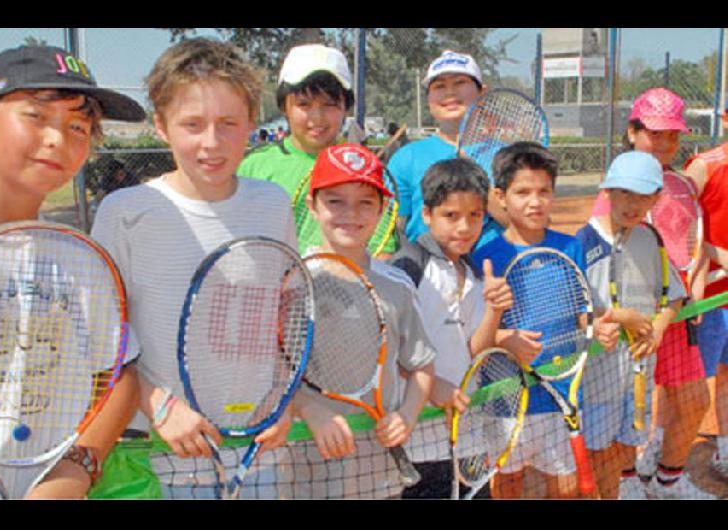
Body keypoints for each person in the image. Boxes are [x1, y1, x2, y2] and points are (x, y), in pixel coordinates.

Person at [0, 44, 145, 499]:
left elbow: (120, 376)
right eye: (36, 116)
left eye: (78, 126)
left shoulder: (83, 258)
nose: (58, 139)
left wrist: (78, 467)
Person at [89, 37, 297, 499]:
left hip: (257, 451)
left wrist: (285, 401)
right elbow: (104, 340)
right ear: (161, 126)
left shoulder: (272, 204)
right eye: (192, 124)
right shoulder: (125, 211)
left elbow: (284, 316)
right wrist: (159, 406)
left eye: (228, 123)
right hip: (157, 457)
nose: (211, 142)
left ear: (251, 124)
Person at [471, 141, 618, 499]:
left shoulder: (570, 247)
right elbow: (477, 328)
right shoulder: (484, 256)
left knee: (566, 489)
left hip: (561, 394)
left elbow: (580, 310)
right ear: (500, 196)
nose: (535, 201)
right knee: (508, 483)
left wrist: (594, 327)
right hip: (507, 399)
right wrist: (506, 339)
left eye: (543, 191)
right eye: (523, 192)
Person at [290, 143, 436, 499]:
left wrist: (408, 414)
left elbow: (422, 366)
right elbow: (276, 374)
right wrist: (311, 410)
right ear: (312, 206)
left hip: (378, 468)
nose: (350, 214)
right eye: (335, 201)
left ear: (382, 210)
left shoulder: (397, 286)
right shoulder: (291, 282)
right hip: (304, 464)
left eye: (365, 202)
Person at [590, 88, 712, 499]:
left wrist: (692, 286)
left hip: (673, 313)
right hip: (628, 322)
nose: (663, 143)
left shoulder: (679, 186)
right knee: (625, 410)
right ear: (632, 131)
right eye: (654, 133)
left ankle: (668, 482)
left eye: (671, 135)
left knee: (693, 400)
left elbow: (692, 241)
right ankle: (627, 484)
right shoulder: (613, 191)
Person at [389, 157, 512, 498]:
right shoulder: (406, 268)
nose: (464, 227)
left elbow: (475, 353)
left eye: (475, 215)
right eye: (451, 215)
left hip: (466, 432)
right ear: (426, 215)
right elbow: (387, 347)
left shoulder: (474, 273)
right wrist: (430, 387)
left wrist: (495, 311)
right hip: (416, 440)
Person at [575, 151, 687, 499]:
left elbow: (675, 296)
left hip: (637, 377)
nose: (632, 203)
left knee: (624, 450)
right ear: (606, 192)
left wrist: (660, 324)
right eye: (624, 193)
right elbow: (574, 313)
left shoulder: (650, 239)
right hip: (596, 381)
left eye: (643, 195)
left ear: (656, 198)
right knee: (596, 454)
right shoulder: (581, 243)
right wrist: (620, 316)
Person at [236, 44, 399, 256]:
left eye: (329, 104)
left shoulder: (365, 168)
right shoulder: (252, 167)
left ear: (345, 107)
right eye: (304, 104)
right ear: (284, 107)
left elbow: (382, 251)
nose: (317, 117)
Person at [388, 50, 505, 252]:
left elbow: (526, 227)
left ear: (482, 93)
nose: (449, 93)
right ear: (429, 100)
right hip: (427, 279)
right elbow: (390, 233)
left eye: (460, 83)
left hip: (495, 275)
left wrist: (479, 183)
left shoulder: (507, 157)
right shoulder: (406, 158)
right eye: (439, 86)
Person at [683, 105, 728, 484]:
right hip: (708, 297)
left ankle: (725, 453)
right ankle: (668, 462)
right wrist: (714, 254)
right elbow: (676, 222)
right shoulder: (705, 166)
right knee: (694, 384)